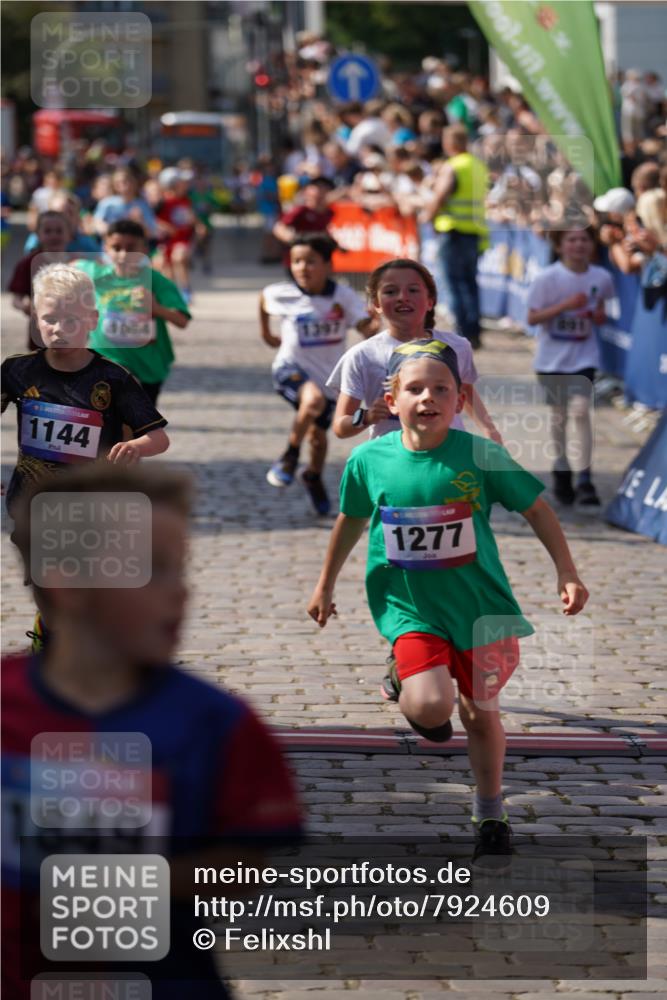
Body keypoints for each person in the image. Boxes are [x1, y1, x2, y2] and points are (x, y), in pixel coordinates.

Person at [2, 462, 303, 998]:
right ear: (68, 584)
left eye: (179, 570)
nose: (181, 593)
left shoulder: (218, 723)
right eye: (153, 570)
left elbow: (244, 866)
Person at [308, 339, 588, 865]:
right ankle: (407, 674)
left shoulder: (481, 456)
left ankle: (490, 812)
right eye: (415, 389)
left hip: (481, 608)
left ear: (459, 400)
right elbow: (350, 520)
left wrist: (567, 572)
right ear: (391, 400)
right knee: (431, 707)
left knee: (481, 714)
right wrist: (325, 584)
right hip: (411, 608)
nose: (428, 398)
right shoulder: (368, 459)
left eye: (441, 389)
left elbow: (537, 510)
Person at [260, 234, 376, 515]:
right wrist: (266, 334)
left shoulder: (343, 297)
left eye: (310, 261)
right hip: (291, 369)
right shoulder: (283, 293)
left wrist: (376, 323)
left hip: (329, 378)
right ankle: (289, 456)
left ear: (327, 265)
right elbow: (263, 299)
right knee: (312, 401)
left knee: (318, 438)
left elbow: (364, 327)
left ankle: (313, 475)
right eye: (296, 261)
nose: (302, 268)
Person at [327, 259, 501, 443]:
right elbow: (340, 426)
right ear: (376, 304)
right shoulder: (362, 355)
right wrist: (367, 417)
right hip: (392, 457)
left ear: (430, 301)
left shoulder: (458, 346)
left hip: (450, 454)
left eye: (413, 290)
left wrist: (491, 433)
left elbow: (466, 392)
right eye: (390, 291)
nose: (402, 297)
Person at [526, 228, 615, 508]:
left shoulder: (601, 277)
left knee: (581, 412)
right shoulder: (547, 278)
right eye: (572, 240)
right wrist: (565, 305)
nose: (579, 245)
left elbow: (602, 312)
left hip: (584, 357)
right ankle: (562, 467)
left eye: (584, 239)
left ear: (592, 244)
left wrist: (597, 316)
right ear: (560, 246)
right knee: (560, 416)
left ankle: (586, 478)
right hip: (551, 360)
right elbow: (532, 318)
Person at [76, 219, 191, 404]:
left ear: (144, 249)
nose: (123, 254)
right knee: (117, 400)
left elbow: (182, 321)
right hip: (106, 358)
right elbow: (68, 267)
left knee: (139, 418)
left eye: (131, 248)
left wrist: (156, 308)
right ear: (106, 248)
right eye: (116, 248)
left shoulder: (156, 281)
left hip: (149, 366)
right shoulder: (94, 274)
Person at [422, 124, 489, 350]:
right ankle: (474, 332)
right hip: (474, 231)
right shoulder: (478, 165)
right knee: (470, 284)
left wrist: (429, 216)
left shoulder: (453, 166)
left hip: (453, 231)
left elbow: (441, 195)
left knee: (454, 283)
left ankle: (462, 333)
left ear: (449, 142)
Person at [7, 210, 71, 348]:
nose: (54, 235)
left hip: (73, 333)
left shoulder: (77, 263)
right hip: (41, 335)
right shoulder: (28, 263)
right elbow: (16, 299)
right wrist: (25, 307)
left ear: (69, 234)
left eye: (59, 231)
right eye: (48, 231)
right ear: (37, 234)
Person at [156, 167, 197, 301]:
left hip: (181, 239)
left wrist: (195, 224)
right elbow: (154, 220)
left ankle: (185, 289)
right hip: (167, 240)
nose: (185, 185)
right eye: (181, 182)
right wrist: (166, 228)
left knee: (179, 258)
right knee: (167, 267)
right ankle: (173, 293)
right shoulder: (162, 202)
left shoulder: (185, 200)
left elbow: (190, 218)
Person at [272, 177, 334, 265]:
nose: (320, 192)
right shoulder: (301, 210)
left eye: (324, 188)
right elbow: (279, 228)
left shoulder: (331, 213)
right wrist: (297, 241)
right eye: (317, 188)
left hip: (321, 261)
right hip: (299, 261)